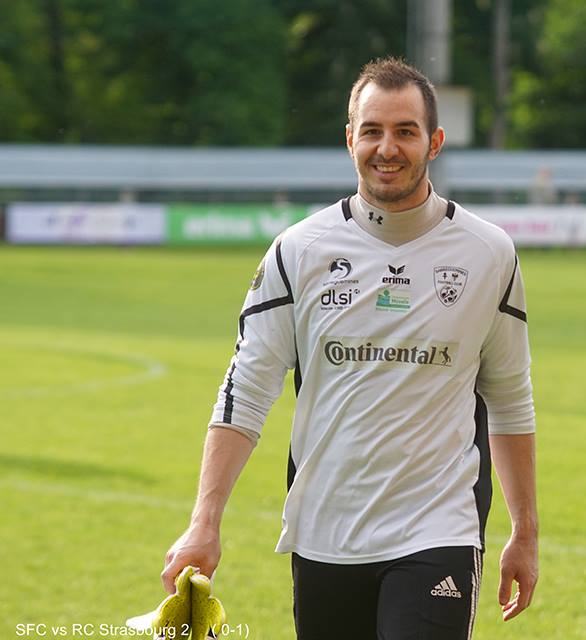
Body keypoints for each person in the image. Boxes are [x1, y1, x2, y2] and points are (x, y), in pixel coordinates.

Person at [161, 57, 539, 639]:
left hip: (438, 529)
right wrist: (203, 522)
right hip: (324, 532)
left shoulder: (489, 254)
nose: (388, 148)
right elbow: (247, 391)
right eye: (373, 131)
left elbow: (510, 399)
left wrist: (525, 532)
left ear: (434, 142)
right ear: (349, 139)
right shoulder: (298, 250)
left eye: (405, 131)